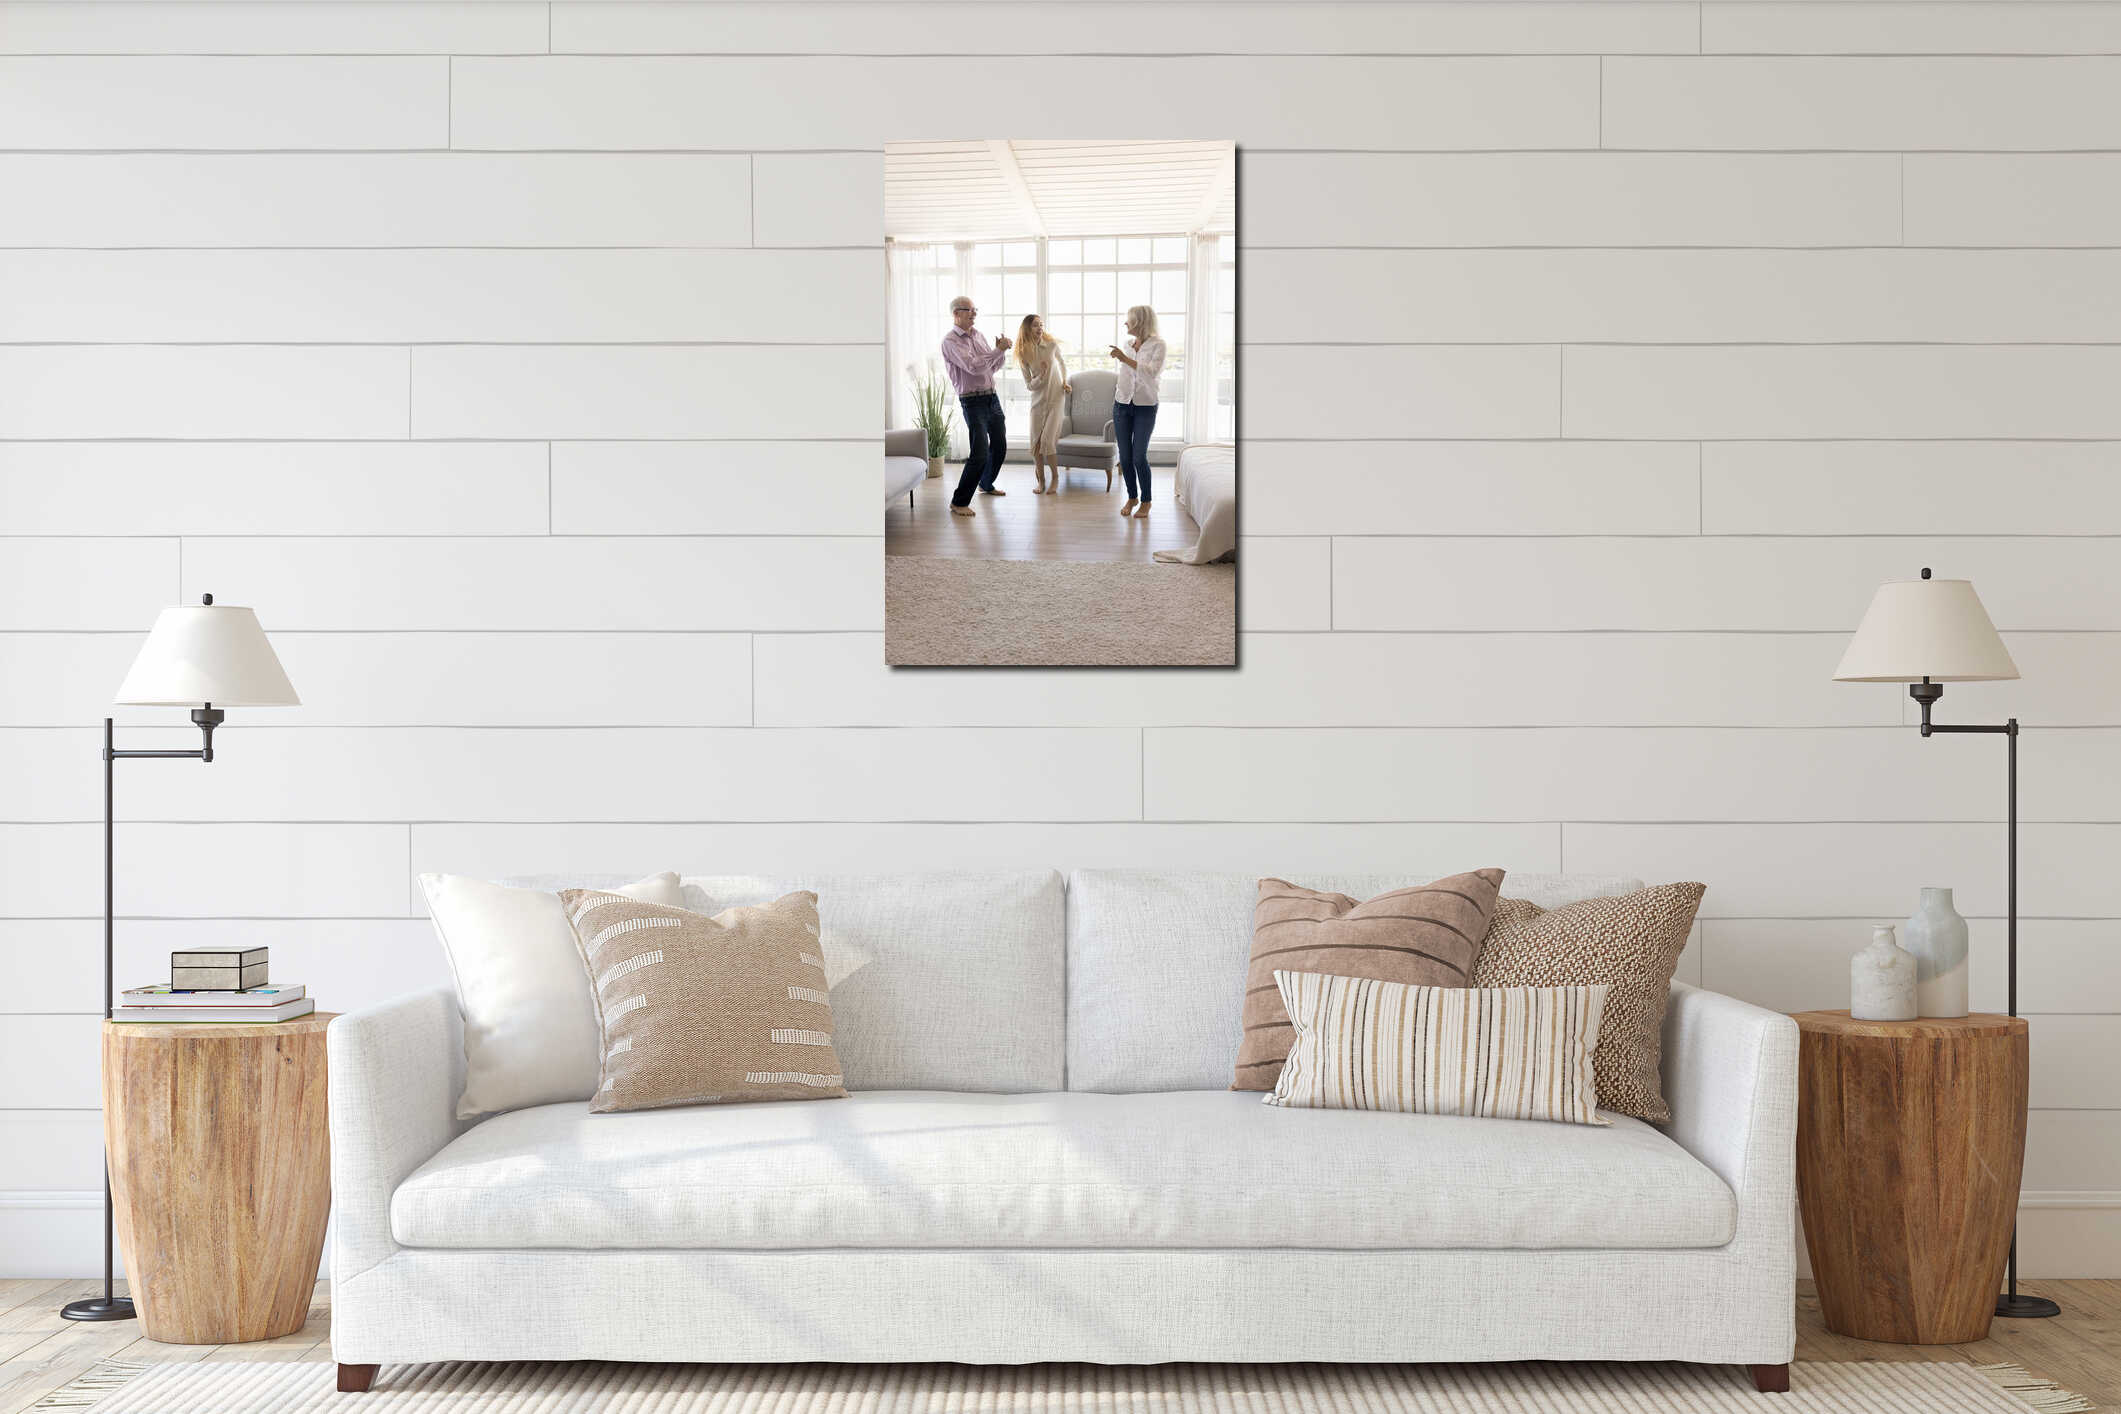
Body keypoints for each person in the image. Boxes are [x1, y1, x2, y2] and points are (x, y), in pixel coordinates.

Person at [939, 295, 1011, 518]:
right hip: (972, 401)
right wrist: (997, 351)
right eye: (968, 310)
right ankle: (958, 502)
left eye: (975, 310)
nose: (974, 313)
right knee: (979, 451)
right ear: (956, 314)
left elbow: (991, 368)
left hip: (992, 397)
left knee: (999, 446)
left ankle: (985, 483)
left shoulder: (978, 335)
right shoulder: (950, 341)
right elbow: (973, 367)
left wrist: (1001, 352)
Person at [1108, 304, 1166, 518]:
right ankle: (1132, 497)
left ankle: (1146, 501)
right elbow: (1125, 374)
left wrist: (1124, 359)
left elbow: (1151, 372)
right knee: (1125, 456)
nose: (1125, 323)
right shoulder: (1128, 344)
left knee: (1139, 456)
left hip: (1145, 407)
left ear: (1140, 322)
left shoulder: (1159, 345)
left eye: (1129, 320)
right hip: (1122, 404)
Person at [1015, 314, 1070, 494]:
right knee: (1036, 444)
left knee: (1047, 441)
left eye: (1041, 325)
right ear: (1027, 329)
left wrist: (1065, 382)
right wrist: (1042, 375)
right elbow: (1030, 385)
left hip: (1056, 398)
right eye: (1035, 326)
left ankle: (1055, 478)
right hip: (1037, 401)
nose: (1040, 328)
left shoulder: (1052, 346)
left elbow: (1062, 364)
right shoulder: (1023, 353)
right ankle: (1041, 480)